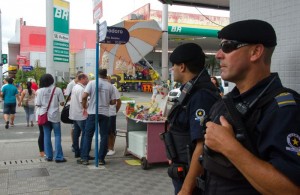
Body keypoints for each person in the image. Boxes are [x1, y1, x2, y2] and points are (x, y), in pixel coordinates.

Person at [200, 19, 300, 194]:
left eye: (227, 46)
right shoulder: (225, 103)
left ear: (255, 52)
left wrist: (230, 147)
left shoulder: (283, 109)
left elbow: (291, 189)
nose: (218, 54)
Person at [163, 43, 220, 195]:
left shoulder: (201, 95)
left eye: (173, 65)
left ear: (182, 67)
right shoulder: (189, 90)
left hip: (193, 178)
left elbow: (202, 146)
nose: (172, 69)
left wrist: (186, 189)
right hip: (183, 169)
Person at [77, 69, 116, 165]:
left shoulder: (92, 83)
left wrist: (84, 106)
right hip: (105, 113)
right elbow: (113, 101)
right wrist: (106, 100)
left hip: (93, 112)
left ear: (97, 74)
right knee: (104, 136)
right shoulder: (110, 86)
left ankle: (85, 158)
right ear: (105, 75)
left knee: (88, 135)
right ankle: (101, 159)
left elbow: (84, 96)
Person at [36, 74, 66, 163]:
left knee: (46, 135)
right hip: (54, 115)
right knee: (57, 135)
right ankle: (59, 157)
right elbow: (62, 103)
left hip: (44, 115)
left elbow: (38, 104)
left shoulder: (39, 91)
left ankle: (49, 156)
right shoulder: (58, 90)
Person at [69, 73, 89, 158]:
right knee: (85, 133)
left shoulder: (75, 87)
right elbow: (83, 102)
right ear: (83, 79)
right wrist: (87, 107)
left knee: (76, 134)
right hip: (81, 114)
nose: (88, 80)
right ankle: (83, 153)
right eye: (87, 79)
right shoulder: (81, 89)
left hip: (74, 114)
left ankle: (77, 151)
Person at [65, 71, 83, 152]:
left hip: (78, 108)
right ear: (77, 77)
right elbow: (67, 96)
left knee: (77, 129)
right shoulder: (71, 84)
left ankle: (76, 145)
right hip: (73, 107)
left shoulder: (81, 85)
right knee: (74, 128)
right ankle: (74, 144)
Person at [106, 76, 122, 156]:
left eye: (107, 79)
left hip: (111, 113)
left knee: (111, 131)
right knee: (105, 131)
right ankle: (106, 147)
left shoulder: (113, 88)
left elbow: (119, 102)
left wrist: (115, 111)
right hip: (103, 113)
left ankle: (111, 148)